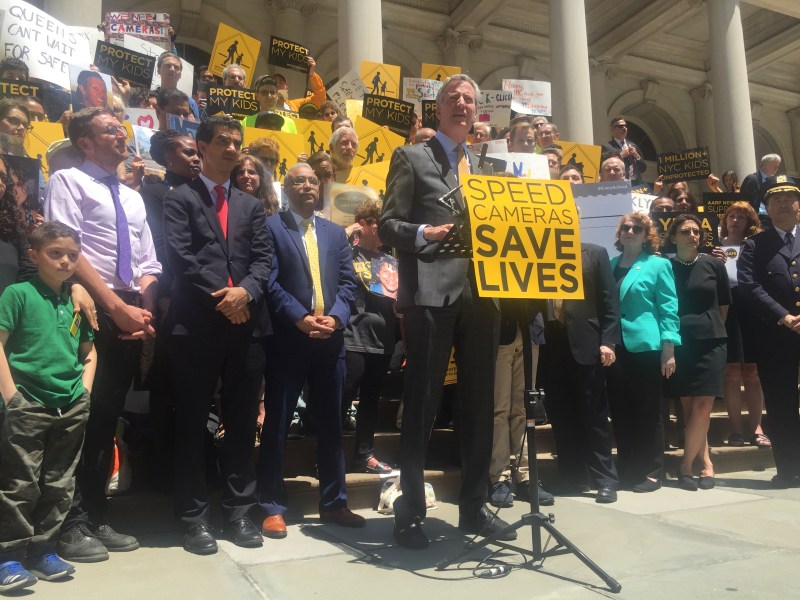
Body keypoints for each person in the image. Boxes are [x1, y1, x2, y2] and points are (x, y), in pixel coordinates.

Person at [380, 74, 509, 550]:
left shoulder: (488, 167)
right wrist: (422, 234)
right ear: (438, 110)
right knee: (423, 405)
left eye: (469, 99)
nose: (461, 104)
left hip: (484, 296)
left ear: (478, 113)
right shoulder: (411, 157)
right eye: (453, 98)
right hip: (432, 294)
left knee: (478, 405)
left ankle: (474, 508)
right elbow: (388, 224)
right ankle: (409, 511)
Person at [43, 107, 160, 562]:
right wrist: (115, 307)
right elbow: (67, 251)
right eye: (109, 129)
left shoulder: (132, 197)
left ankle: (93, 514)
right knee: (80, 415)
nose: (121, 133)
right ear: (85, 142)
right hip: (91, 308)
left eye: (121, 127)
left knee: (107, 416)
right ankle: (67, 523)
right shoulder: (67, 182)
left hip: (131, 311)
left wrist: (142, 311)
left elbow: (149, 261)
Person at [162, 115, 272, 555]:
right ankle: (192, 519)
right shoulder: (179, 198)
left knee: (243, 424)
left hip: (247, 328)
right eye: (222, 141)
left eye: (236, 142)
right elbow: (182, 259)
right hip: (197, 326)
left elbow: (264, 262)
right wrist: (224, 299)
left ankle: (239, 512)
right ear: (202, 147)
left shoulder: (250, 205)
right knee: (190, 423)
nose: (231, 148)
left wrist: (244, 293)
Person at [258, 163, 362, 539]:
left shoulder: (335, 234)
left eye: (311, 181)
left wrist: (335, 319)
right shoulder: (271, 228)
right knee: (278, 424)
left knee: (332, 425)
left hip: (330, 341)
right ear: (286, 189)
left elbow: (349, 284)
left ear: (320, 188)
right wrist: (300, 318)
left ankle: (335, 502)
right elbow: (268, 283)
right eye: (297, 180)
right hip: (289, 340)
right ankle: (271, 506)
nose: (306, 186)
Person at [0, 222, 96, 592]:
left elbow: (89, 353)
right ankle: (9, 556)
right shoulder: (18, 294)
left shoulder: (74, 302)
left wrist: (84, 393)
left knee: (60, 482)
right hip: (29, 404)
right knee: (20, 483)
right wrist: (13, 398)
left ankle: (44, 550)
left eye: (72, 255)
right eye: (55, 253)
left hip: (70, 405)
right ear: (34, 256)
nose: (65, 261)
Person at [539, 243, 621, 503]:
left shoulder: (595, 253)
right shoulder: (537, 252)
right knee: (561, 414)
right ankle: (572, 475)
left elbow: (608, 298)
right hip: (549, 343)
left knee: (594, 414)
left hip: (586, 341)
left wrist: (608, 341)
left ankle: (605, 479)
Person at [606, 213, 680, 493]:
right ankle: (627, 468)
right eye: (625, 227)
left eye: (637, 228)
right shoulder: (610, 265)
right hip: (616, 348)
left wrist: (669, 347)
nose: (630, 231)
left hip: (647, 347)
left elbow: (669, 307)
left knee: (648, 410)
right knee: (621, 410)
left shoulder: (659, 265)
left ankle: (651, 470)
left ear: (647, 235)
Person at [738, 175, 800, 488]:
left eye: (789, 198)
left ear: (798, 205)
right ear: (767, 207)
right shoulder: (755, 245)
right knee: (781, 402)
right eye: (777, 200)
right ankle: (790, 468)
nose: (784, 204)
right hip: (776, 336)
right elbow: (749, 285)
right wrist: (783, 316)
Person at [666, 214, 730, 490]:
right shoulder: (664, 266)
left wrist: (710, 327)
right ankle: (706, 463)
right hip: (679, 342)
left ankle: (684, 466)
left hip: (711, 341)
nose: (693, 235)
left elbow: (724, 305)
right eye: (685, 231)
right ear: (673, 237)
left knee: (704, 406)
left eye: (695, 231)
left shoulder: (714, 264)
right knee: (690, 408)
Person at [343, 200, 396, 475]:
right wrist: (349, 231)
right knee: (343, 394)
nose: (383, 229)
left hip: (383, 337)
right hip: (352, 334)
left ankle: (364, 454)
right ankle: (329, 454)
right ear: (364, 224)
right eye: (378, 223)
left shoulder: (391, 259)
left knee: (371, 399)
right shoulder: (347, 252)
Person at [719, 202, 769, 448]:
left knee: (752, 373)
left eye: (741, 217)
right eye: (731, 216)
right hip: (725, 310)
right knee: (730, 373)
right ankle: (735, 429)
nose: (735, 220)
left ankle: (757, 428)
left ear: (749, 222)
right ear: (725, 220)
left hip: (751, 309)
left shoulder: (756, 247)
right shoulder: (713, 248)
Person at [602, 116, 646, 185]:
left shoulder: (633, 145)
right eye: (620, 126)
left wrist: (636, 155)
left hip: (637, 184)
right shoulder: (607, 147)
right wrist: (621, 155)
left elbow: (643, 168)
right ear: (612, 129)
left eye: (625, 126)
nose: (624, 128)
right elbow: (604, 167)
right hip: (619, 184)